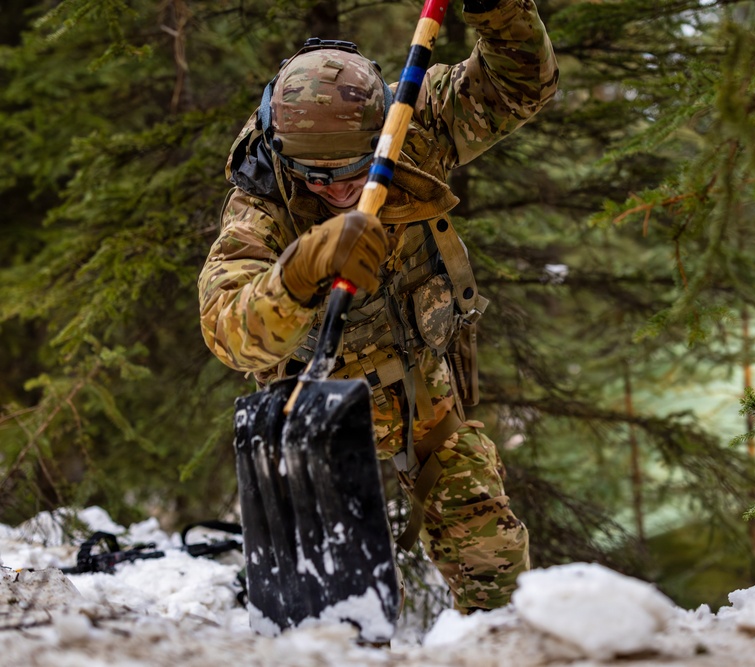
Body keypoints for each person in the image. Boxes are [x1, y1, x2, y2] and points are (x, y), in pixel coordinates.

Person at [197, 0, 558, 614]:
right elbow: (230, 330)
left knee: (492, 563)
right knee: (327, 621)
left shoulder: (414, 127)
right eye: (317, 176)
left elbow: (520, 84)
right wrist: (299, 269)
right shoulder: (261, 204)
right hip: (317, 419)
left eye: (354, 170)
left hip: (423, 391)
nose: (339, 190)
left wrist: (500, 11)